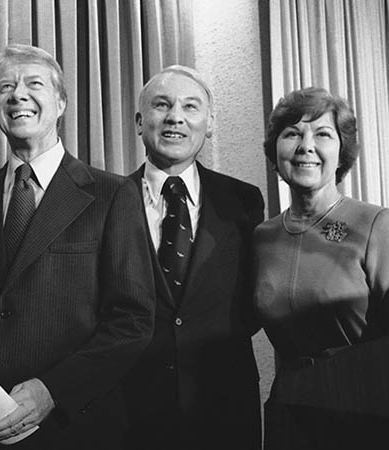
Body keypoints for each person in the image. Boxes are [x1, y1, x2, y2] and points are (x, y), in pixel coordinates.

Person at [0, 44, 155, 449]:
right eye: (5, 87)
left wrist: (52, 390)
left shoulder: (113, 195)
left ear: (61, 102)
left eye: (33, 84)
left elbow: (133, 320)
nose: (17, 94)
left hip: (76, 427)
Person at [122, 65, 265, 450]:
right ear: (139, 121)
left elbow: (254, 299)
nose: (175, 117)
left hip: (225, 403)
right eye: (162, 105)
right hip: (130, 407)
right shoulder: (108, 200)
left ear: (210, 122)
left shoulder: (244, 201)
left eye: (190, 106)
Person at [254, 87, 389, 449]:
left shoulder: (377, 224)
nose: (306, 146)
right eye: (292, 133)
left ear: (341, 151)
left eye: (323, 134)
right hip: (290, 412)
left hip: (365, 409)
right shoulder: (261, 237)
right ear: (275, 149)